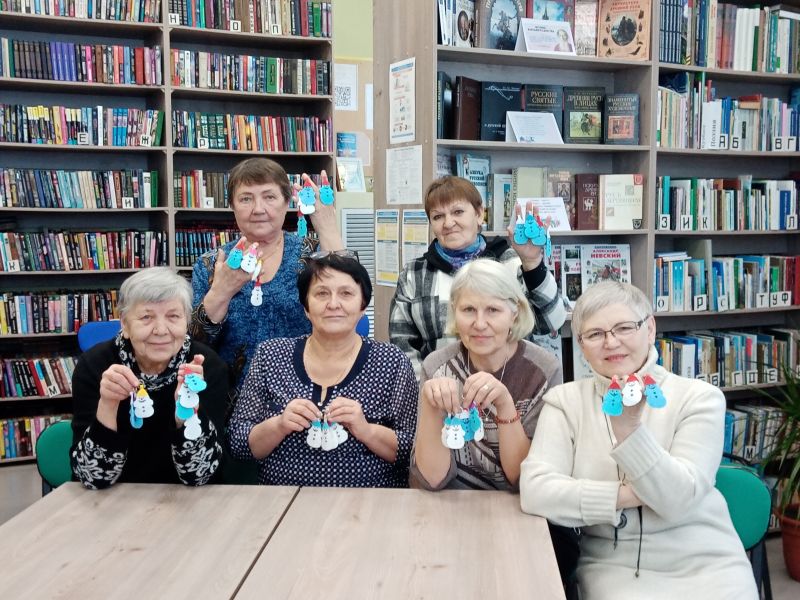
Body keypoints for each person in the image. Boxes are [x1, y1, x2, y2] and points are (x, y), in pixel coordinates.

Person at [520, 282, 758, 599]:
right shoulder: (565, 402)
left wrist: (629, 430)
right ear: (581, 345)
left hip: (708, 562)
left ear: (650, 329)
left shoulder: (699, 398)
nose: (611, 342)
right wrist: (627, 495)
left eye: (624, 328)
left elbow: (676, 502)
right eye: (595, 334)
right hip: (614, 566)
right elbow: (536, 492)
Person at [409, 259, 578, 586]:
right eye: (468, 310)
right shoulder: (438, 366)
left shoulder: (543, 369)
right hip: (452, 508)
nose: (479, 323)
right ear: (454, 313)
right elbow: (431, 480)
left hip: (522, 510)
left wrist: (504, 405)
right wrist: (430, 409)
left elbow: (523, 479)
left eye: (493, 310)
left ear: (515, 313)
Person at [228, 251, 418, 487]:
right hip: (281, 501)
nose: (333, 304)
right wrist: (279, 425)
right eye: (321, 293)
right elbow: (238, 444)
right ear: (306, 307)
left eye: (346, 293)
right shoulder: (271, 355)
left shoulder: (391, 361)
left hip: (369, 502)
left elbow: (414, 450)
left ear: (362, 306)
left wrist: (366, 430)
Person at [190, 158, 343, 395]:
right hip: (231, 398)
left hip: (308, 393)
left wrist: (328, 229)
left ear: (287, 202)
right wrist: (221, 292)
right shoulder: (212, 263)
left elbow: (346, 308)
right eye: (246, 199)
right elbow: (195, 346)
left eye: (269, 197)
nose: (258, 209)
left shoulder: (314, 253)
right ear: (232, 206)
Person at [390, 175, 566, 377]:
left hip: (511, 385)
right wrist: (430, 385)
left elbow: (551, 321)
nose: (448, 223)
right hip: (442, 389)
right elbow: (402, 345)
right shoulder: (414, 274)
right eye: (438, 216)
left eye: (458, 212)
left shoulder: (509, 262)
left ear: (479, 214)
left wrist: (532, 263)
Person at [70, 267, 228, 489]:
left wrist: (186, 411)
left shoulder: (205, 367)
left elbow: (202, 477)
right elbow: (91, 478)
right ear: (125, 324)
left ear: (186, 321)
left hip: (187, 498)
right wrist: (108, 404)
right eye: (146, 317)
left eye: (173, 316)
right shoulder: (95, 366)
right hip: (113, 498)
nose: (161, 330)